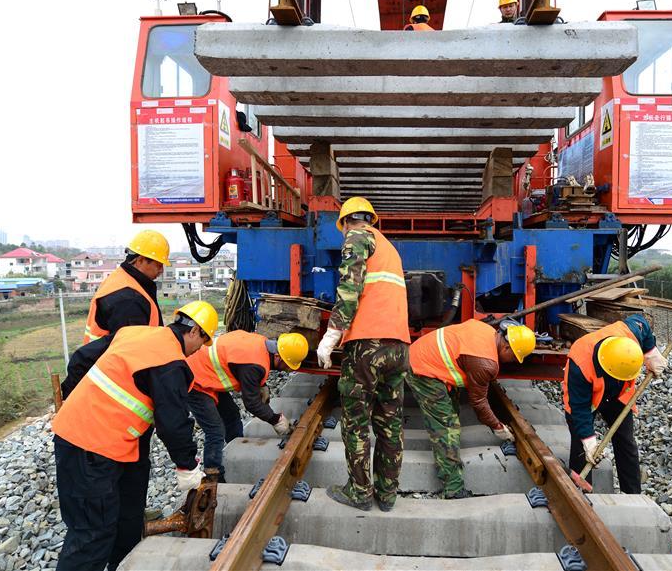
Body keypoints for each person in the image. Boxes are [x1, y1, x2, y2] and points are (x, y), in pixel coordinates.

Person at [51, 301, 218, 571]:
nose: (199, 349)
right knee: (92, 534)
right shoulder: (171, 362)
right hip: (91, 448)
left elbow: (81, 358)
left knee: (117, 523)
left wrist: (71, 399)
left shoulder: (135, 333)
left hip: (88, 440)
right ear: (195, 331)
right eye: (203, 341)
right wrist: (187, 466)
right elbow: (173, 423)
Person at [316, 197, 411, 512]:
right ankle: (386, 495)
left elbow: (349, 287)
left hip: (368, 344)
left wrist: (332, 335)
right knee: (389, 421)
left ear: (346, 223)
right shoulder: (390, 248)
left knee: (356, 421)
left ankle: (359, 492)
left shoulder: (357, 237)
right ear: (372, 218)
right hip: (398, 345)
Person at [407, 319, 536, 498]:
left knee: (451, 410)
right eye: (514, 357)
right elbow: (479, 403)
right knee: (448, 427)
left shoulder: (486, 331)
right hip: (422, 370)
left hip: (425, 357)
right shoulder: (485, 362)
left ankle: (448, 465)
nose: (512, 361)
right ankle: (453, 488)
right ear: (507, 348)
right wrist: (498, 427)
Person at [562, 313, 667, 493]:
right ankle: (581, 491)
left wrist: (651, 353)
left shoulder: (630, 333)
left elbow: (642, 322)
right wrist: (589, 441)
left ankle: (632, 493)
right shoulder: (580, 363)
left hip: (618, 395)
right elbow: (579, 409)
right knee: (581, 445)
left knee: (626, 442)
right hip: (588, 398)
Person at [185, 330, 309, 481]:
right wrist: (275, 420)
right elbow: (251, 403)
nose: (287, 369)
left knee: (231, 414)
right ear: (277, 356)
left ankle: (235, 448)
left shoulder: (262, 343)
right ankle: (214, 477)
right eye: (286, 365)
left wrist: (261, 385)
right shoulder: (253, 365)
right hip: (195, 378)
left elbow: (246, 367)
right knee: (215, 430)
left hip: (208, 372)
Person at [82, 229, 171, 344]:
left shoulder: (120, 278)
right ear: (140, 261)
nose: (161, 270)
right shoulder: (129, 299)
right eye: (158, 265)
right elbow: (132, 352)